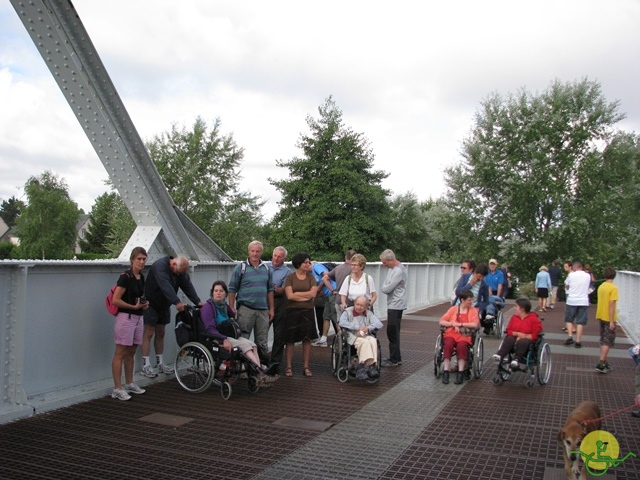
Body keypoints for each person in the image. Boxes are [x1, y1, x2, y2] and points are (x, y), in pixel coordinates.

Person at [200, 280, 277, 386]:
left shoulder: (225, 307)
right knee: (245, 346)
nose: (218, 293)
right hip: (218, 337)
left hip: (231, 336)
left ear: (226, 294)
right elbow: (210, 329)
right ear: (212, 293)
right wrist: (224, 339)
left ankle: (258, 374)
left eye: (221, 291)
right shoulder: (207, 308)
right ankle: (260, 373)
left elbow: (232, 320)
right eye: (216, 291)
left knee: (253, 345)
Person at [142, 256, 202, 377]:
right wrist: (177, 302)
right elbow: (165, 286)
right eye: (179, 272)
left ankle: (160, 363)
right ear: (173, 264)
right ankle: (146, 365)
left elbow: (187, 285)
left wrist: (198, 302)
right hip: (151, 303)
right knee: (148, 333)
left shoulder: (180, 271)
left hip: (164, 305)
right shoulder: (160, 266)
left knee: (161, 333)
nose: (179, 275)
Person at [110, 246, 149, 400]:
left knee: (132, 351)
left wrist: (144, 304)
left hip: (138, 317)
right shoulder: (125, 277)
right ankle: (117, 387)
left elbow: (141, 295)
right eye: (139, 259)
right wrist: (133, 306)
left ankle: (129, 383)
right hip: (126, 317)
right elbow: (116, 300)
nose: (141, 262)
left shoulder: (141, 277)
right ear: (132, 260)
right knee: (120, 352)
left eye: (144, 259)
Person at [228, 241, 274, 356]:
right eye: (252, 251)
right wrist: (231, 306)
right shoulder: (241, 268)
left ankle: (261, 366)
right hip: (245, 309)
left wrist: (272, 308)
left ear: (261, 253)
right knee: (243, 339)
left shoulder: (267, 269)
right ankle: (243, 368)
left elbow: (270, 290)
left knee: (262, 340)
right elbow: (232, 288)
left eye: (257, 251)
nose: (255, 254)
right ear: (249, 252)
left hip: (263, 310)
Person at [283, 252, 318, 377]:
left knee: (307, 339)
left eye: (309, 262)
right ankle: (288, 367)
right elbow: (289, 296)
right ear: (299, 264)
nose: (308, 264)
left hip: (308, 311)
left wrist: (298, 295)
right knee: (290, 339)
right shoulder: (290, 278)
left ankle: (306, 367)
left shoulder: (311, 278)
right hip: (292, 311)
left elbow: (313, 294)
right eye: (306, 262)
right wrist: (306, 295)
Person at [439, 290, 480, 385]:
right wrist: (452, 323)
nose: (471, 302)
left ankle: (461, 372)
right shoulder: (453, 309)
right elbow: (441, 321)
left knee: (461, 346)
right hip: (451, 333)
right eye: (469, 300)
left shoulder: (473, 310)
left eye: (471, 300)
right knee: (448, 345)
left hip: (465, 335)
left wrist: (460, 324)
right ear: (462, 300)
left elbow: (475, 324)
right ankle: (446, 371)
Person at [339, 296, 383, 380]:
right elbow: (342, 322)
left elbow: (379, 324)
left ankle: (372, 366)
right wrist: (357, 327)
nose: (359, 307)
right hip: (352, 336)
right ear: (354, 304)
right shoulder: (348, 312)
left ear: (366, 307)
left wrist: (368, 328)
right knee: (365, 342)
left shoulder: (369, 313)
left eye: (362, 305)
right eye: (357, 304)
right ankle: (362, 366)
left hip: (365, 335)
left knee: (373, 340)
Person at [492, 297, 543, 370]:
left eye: (516, 306)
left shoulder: (534, 319)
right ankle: (499, 355)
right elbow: (508, 330)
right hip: (514, 339)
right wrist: (518, 334)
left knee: (523, 342)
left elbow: (534, 335)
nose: (514, 308)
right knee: (509, 338)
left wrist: (523, 337)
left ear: (522, 309)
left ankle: (516, 359)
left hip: (527, 342)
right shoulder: (514, 318)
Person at [379, 249, 407, 368]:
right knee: (392, 331)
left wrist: (386, 285)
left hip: (396, 304)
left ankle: (394, 358)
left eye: (385, 262)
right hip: (392, 303)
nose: (383, 265)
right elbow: (386, 285)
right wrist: (386, 285)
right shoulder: (392, 269)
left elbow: (386, 288)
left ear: (391, 260)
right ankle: (395, 357)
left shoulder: (398, 270)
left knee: (392, 331)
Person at [266, 246, 291, 373]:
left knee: (279, 335)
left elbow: (284, 289)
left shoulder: (287, 272)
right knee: (262, 334)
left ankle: (275, 363)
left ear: (284, 258)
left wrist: (275, 289)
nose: (276, 258)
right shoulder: (264, 267)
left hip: (279, 303)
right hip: (264, 304)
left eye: (279, 256)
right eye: (275, 255)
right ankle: (261, 360)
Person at [455, 263, 494, 334]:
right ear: (475, 272)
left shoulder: (484, 285)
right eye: (479, 276)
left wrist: (479, 308)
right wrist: (470, 284)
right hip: (459, 306)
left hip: (473, 307)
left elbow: (486, 301)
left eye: (483, 277)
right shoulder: (465, 277)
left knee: (471, 325)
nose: (480, 279)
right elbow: (458, 293)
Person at [595, 267, 618, 373]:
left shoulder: (601, 286)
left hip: (601, 315)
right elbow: (611, 304)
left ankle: (604, 361)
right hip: (609, 317)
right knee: (608, 341)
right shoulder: (613, 288)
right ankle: (601, 362)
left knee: (603, 339)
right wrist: (612, 321)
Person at [322, 249, 357, 318]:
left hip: (338, 299)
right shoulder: (354, 269)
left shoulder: (337, 268)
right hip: (350, 301)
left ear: (345, 257)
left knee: (341, 322)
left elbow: (324, 278)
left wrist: (333, 290)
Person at [564, 261, 591, 348]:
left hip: (572, 300)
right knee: (580, 321)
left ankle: (570, 336)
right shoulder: (588, 275)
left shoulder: (571, 275)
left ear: (574, 268)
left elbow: (566, 285)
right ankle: (578, 340)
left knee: (569, 319)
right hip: (583, 300)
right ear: (581, 267)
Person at [311, 261, 337, 348]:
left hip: (333, 292)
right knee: (326, 316)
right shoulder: (310, 276)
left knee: (335, 317)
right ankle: (323, 339)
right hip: (327, 295)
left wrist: (323, 284)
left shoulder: (316, 266)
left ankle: (341, 339)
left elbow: (327, 276)